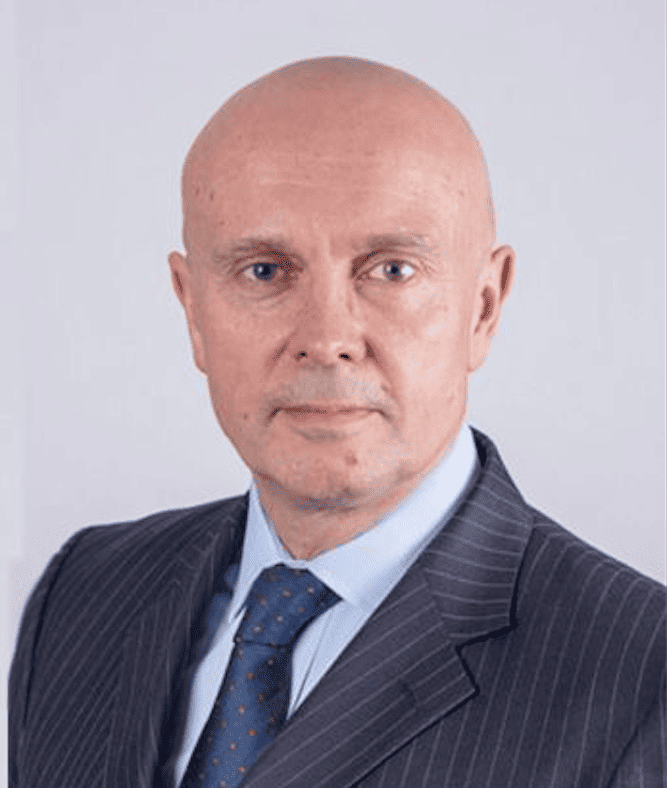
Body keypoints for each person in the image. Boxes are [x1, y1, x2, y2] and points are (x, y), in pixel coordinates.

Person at [9, 56, 665, 788]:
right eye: (264, 271)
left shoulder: (644, 677)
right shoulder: (82, 594)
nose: (326, 338)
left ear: (483, 308)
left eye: (391, 270)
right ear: (193, 310)